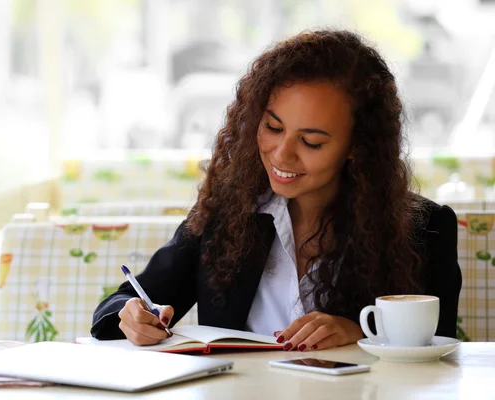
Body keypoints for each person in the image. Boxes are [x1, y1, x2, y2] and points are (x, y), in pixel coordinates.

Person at [91, 30, 462, 352]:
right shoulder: (227, 213)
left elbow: (437, 346)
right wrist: (132, 316)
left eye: (312, 142)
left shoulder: (424, 229)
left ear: (357, 147)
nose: (282, 154)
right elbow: (124, 301)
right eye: (272, 127)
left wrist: (360, 332)